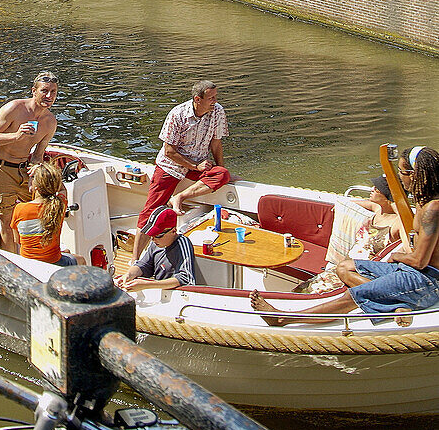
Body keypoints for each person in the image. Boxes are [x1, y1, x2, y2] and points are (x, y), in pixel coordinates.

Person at [252, 147, 439, 327]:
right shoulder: (424, 201)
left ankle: (282, 319)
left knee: (353, 295)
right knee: (345, 267)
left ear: (414, 174)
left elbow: (419, 261)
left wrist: (396, 257)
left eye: (401, 172)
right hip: (413, 271)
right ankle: (395, 304)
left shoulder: (433, 209)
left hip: (427, 281)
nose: (399, 177)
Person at [132, 81, 230, 262]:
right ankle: (135, 259)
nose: (215, 101)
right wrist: (194, 166)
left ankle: (179, 197)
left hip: (198, 164)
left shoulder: (218, 112)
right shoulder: (177, 114)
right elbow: (169, 151)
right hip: (171, 165)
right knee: (151, 210)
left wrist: (220, 167)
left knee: (222, 174)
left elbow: (216, 143)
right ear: (197, 99)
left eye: (216, 97)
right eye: (211, 98)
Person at [0, 71, 59, 250]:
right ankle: (12, 268)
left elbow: (38, 155)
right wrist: (15, 136)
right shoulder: (15, 108)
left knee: (41, 213)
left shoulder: (50, 122)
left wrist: (35, 172)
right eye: (44, 91)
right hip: (1, 169)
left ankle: (36, 257)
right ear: (34, 91)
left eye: (53, 92)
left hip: (24, 171)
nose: (49, 96)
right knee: (7, 223)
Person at [301, 176, 401, 294]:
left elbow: (407, 226)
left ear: (388, 197)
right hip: (343, 265)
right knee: (303, 288)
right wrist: (344, 203)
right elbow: (368, 204)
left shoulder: (396, 223)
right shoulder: (378, 209)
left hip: (358, 272)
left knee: (312, 292)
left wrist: (396, 203)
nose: (372, 189)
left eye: (377, 188)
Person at [10, 162, 83, 266]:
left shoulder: (20, 209)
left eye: (32, 178)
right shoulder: (58, 205)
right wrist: (44, 170)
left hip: (29, 264)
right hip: (54, 262)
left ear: (36, 186)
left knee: (66, 252)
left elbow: (17, 241)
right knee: (80, 260)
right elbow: (62, 189)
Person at [116, 206, 197, 291]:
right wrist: (129, 274)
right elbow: (144, 265)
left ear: (173, 231)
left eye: (158, 235)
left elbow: (186, 279)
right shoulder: (155, 243)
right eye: (151, 235)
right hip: (158, 290)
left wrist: (148, 285)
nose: (153, 239)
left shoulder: (183, 244)